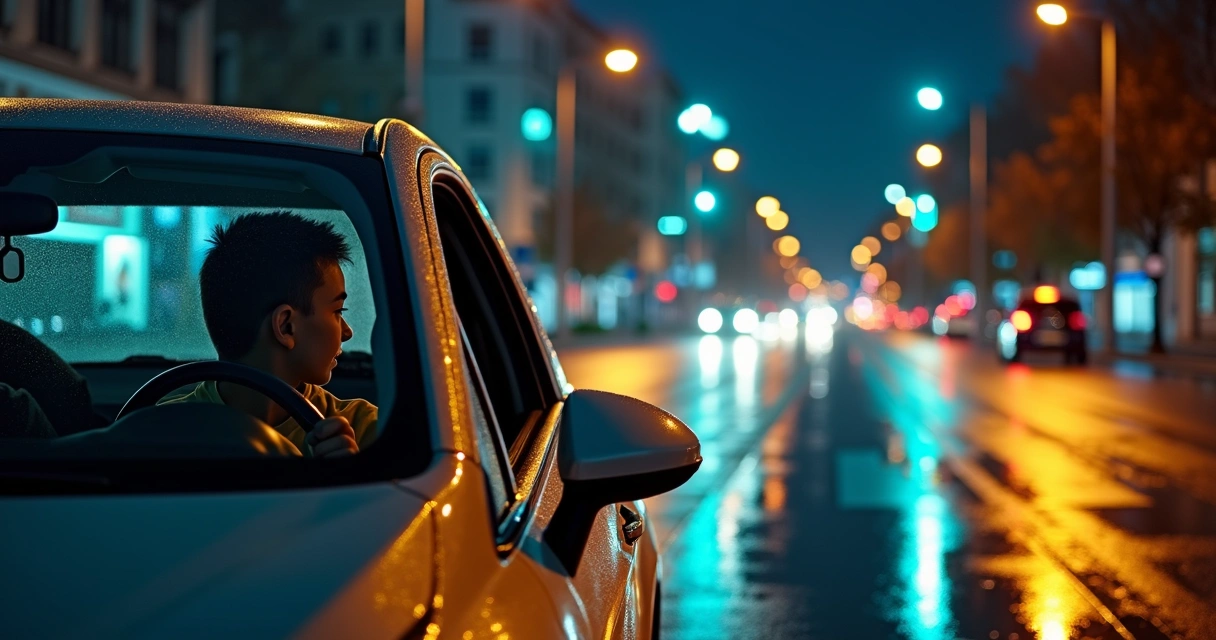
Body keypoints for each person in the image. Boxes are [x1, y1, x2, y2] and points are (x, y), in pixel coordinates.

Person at [161, 211, 376, 457]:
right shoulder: (363, 429)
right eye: (338, 311)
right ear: (286, 326)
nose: (347, 332)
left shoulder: (161, 430)